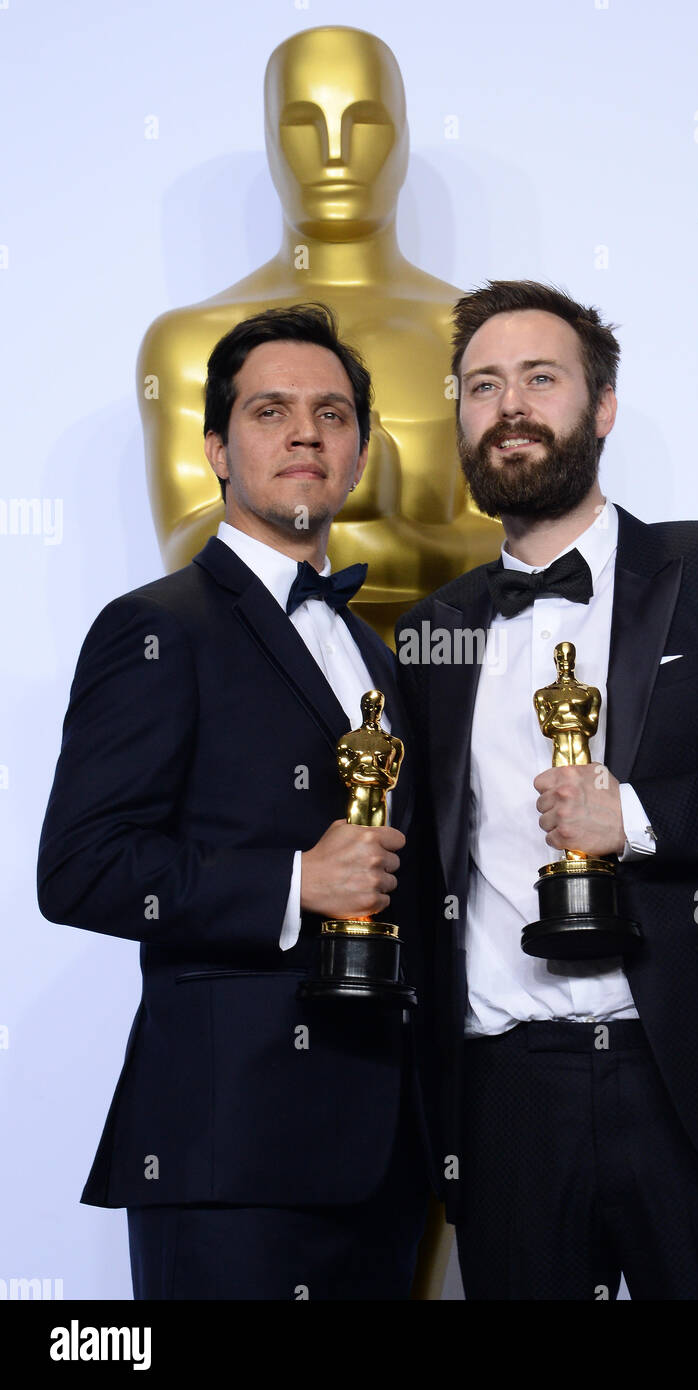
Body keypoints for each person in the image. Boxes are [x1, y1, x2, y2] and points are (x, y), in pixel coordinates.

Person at [395, 280, 698, 1301]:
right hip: (505, 1100)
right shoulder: (428, 634)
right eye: (482, 385)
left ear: (602, 406)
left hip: (697, 1085)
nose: (510, 404)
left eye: (540, 377)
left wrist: (641, 817)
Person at [38, 304, 431, 1300]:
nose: (307, 431)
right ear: (216, 448)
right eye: (271, 410)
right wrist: (294, 882)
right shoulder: (153, 629)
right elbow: (80, 867)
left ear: (358, 453)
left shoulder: (379, 656)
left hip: (387, 1157)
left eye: (332, 413)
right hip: (228, 1158)